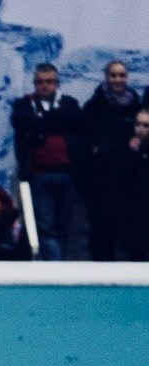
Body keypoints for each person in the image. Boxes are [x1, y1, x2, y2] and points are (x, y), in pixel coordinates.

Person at [11, 62, 83, 260]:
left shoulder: (69, 103)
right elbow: (23, 122)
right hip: (39, 175)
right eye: (40, 82)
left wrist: (42, 126)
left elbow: (75, 121)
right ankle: (54, 266)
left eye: (49, 81)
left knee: (66, 224)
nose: (44, 86)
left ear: (57, 83)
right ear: (34, 84)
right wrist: (55, 123)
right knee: (46, 225)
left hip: (68, 175)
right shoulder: (24, 105)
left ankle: (65, 263)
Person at [82, 60, 142, 261]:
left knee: (129, 226)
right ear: (106, 78)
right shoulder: (94, 106)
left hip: (130, 179)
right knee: (101, 226)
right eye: (113, 75)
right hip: (101, 180)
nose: (118, 80)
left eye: (121, 75)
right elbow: (85, 140)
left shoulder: (136, 106)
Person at [125, 109, 149, 261]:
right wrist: (133, 153)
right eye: (138, 124)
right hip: (135, 211)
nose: (141, 129)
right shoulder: (129, 149)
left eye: (146, 125)